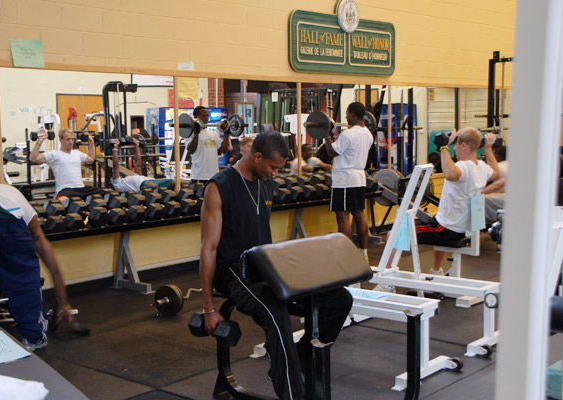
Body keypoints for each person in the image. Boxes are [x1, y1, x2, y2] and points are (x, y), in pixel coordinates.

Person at [200, 131, 352, 400]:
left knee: (338, 299)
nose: (274, 174)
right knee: (276, 313)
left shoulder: (265, 182)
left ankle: (297, 362)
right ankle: (293, 393)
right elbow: (208, 249)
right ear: (257, 156)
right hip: (233, 269)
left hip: (265, 264)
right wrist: (209, 308)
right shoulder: (219, 186)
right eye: (272, 167)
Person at [376, 128, 500, 292]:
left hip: (447, 229)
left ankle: (387, 284)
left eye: (455, 145)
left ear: (463, 145)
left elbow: (450, 174)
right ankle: (436, 271)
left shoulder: (463, 166)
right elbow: (496, 173)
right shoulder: (482, 167)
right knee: (434, 220)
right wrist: (488, 149)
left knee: (395, 233)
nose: (453, 149)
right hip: (462, 228)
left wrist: (443, 147)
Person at [0, 183, 76, 350]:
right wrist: (63, 303)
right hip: (6, 218)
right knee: (24, 278)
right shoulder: (27, 212)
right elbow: (52, 266)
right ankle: (34, 337)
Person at [324, 102, 374, 261]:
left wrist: (325, 136)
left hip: (344, 179)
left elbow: (332, 152)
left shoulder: (348, 134)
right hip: (359, 178)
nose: (346, 117)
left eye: (347, 114)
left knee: (343, 216)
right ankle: (363, 252)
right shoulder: (368, 133)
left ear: (353, 114)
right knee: (359, 215)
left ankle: (343, 254)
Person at [29, 128, 104, 203]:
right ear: (61, 139)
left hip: (81, 188)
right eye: (68, 139)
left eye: (72, 139)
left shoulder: (77, 153)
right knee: (62, 201)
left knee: (108, 194)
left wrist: (91, 142)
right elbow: (33, 158)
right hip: (66, 189)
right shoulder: (54, 154)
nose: (71, 142)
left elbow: (91, 158)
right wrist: (39, 142)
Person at [186, 106, 231, 183]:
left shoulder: (212, 133)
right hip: (199, 176)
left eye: (207, 115)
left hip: (214, 175)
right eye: (203, 116)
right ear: (196, 117)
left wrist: (227, 133)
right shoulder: (190, 133)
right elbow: (191, 150)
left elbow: (223, 150)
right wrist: (196, 133)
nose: (206, 118)